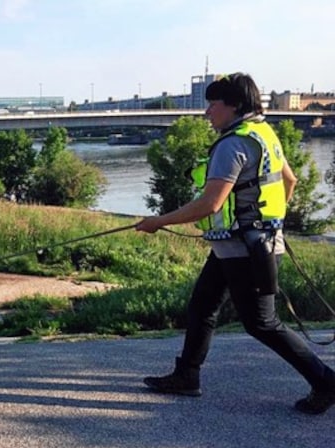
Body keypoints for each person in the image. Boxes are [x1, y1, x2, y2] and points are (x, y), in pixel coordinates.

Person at [135, 72, 335, 415]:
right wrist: (270, 222)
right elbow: (290, 180)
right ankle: (187, 376)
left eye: (213, 104)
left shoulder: (232, 145)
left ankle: (326, 381)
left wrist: (158, 221)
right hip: (243, 246)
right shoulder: (263, 133)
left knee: (262, 324)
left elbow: (210, 203)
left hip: (246, 251)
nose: (207, 112)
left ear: (234, 106)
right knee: (202, 306)